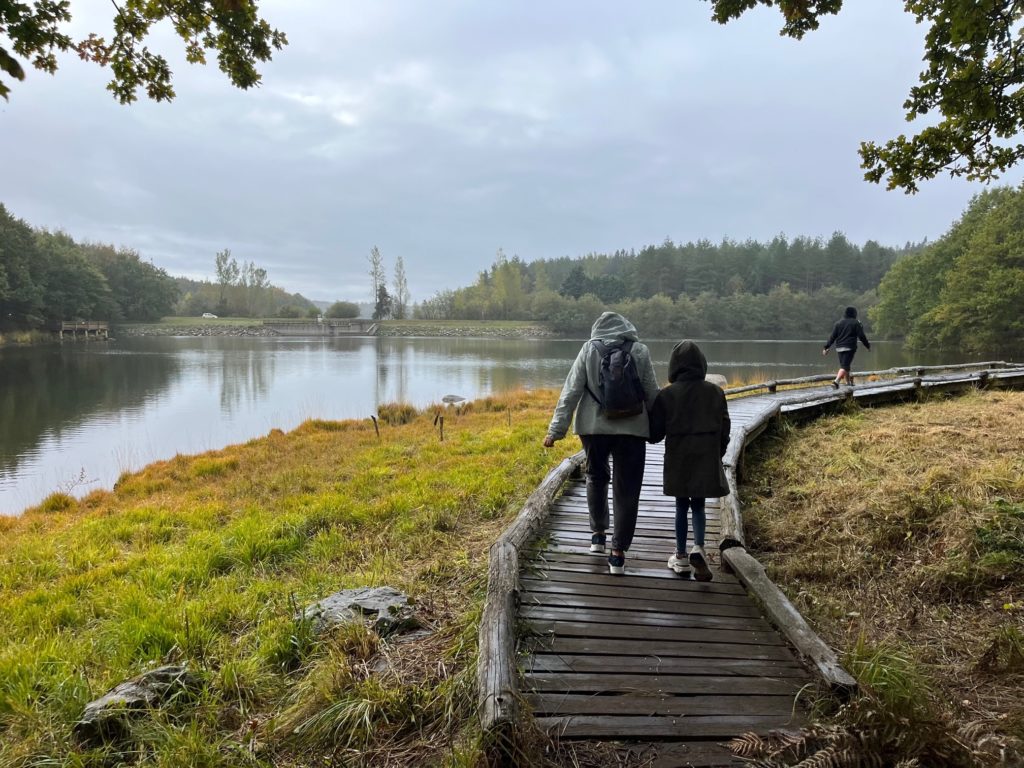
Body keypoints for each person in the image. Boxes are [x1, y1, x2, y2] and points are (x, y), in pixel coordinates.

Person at [543, 312, 660, 575]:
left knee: (596, 477)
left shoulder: (589, 349)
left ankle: (598, 535)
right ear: (627, 328)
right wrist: (663, 426)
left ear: (597, 329)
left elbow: (571, 390)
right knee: (627, 488)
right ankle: (618, 553)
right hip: (632, 429)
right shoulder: (639, 350)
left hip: (593, 428)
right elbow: (652, 393)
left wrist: (556, 430)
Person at [648, 340, 730, 582]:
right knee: (699, 504)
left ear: (674, 366)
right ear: (702, 364)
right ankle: (700, 547)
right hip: (706, 453)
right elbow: (725, 426)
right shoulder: (715, 392)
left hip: (678, 454)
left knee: (681, 505)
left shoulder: (668, 394)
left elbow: (655, 434)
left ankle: (681, 556)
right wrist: (719, 452)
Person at [822, 306, 871, 388]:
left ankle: (848, 383)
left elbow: (832, 337)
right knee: (845, 366)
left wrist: (826, 347)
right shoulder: (856, 323)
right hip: (850, 347)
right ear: (854, 314)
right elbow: (861, 336)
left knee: (845, 366)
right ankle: (836, 382)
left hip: (839, 348)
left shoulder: (838, 323)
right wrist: (867, 346)